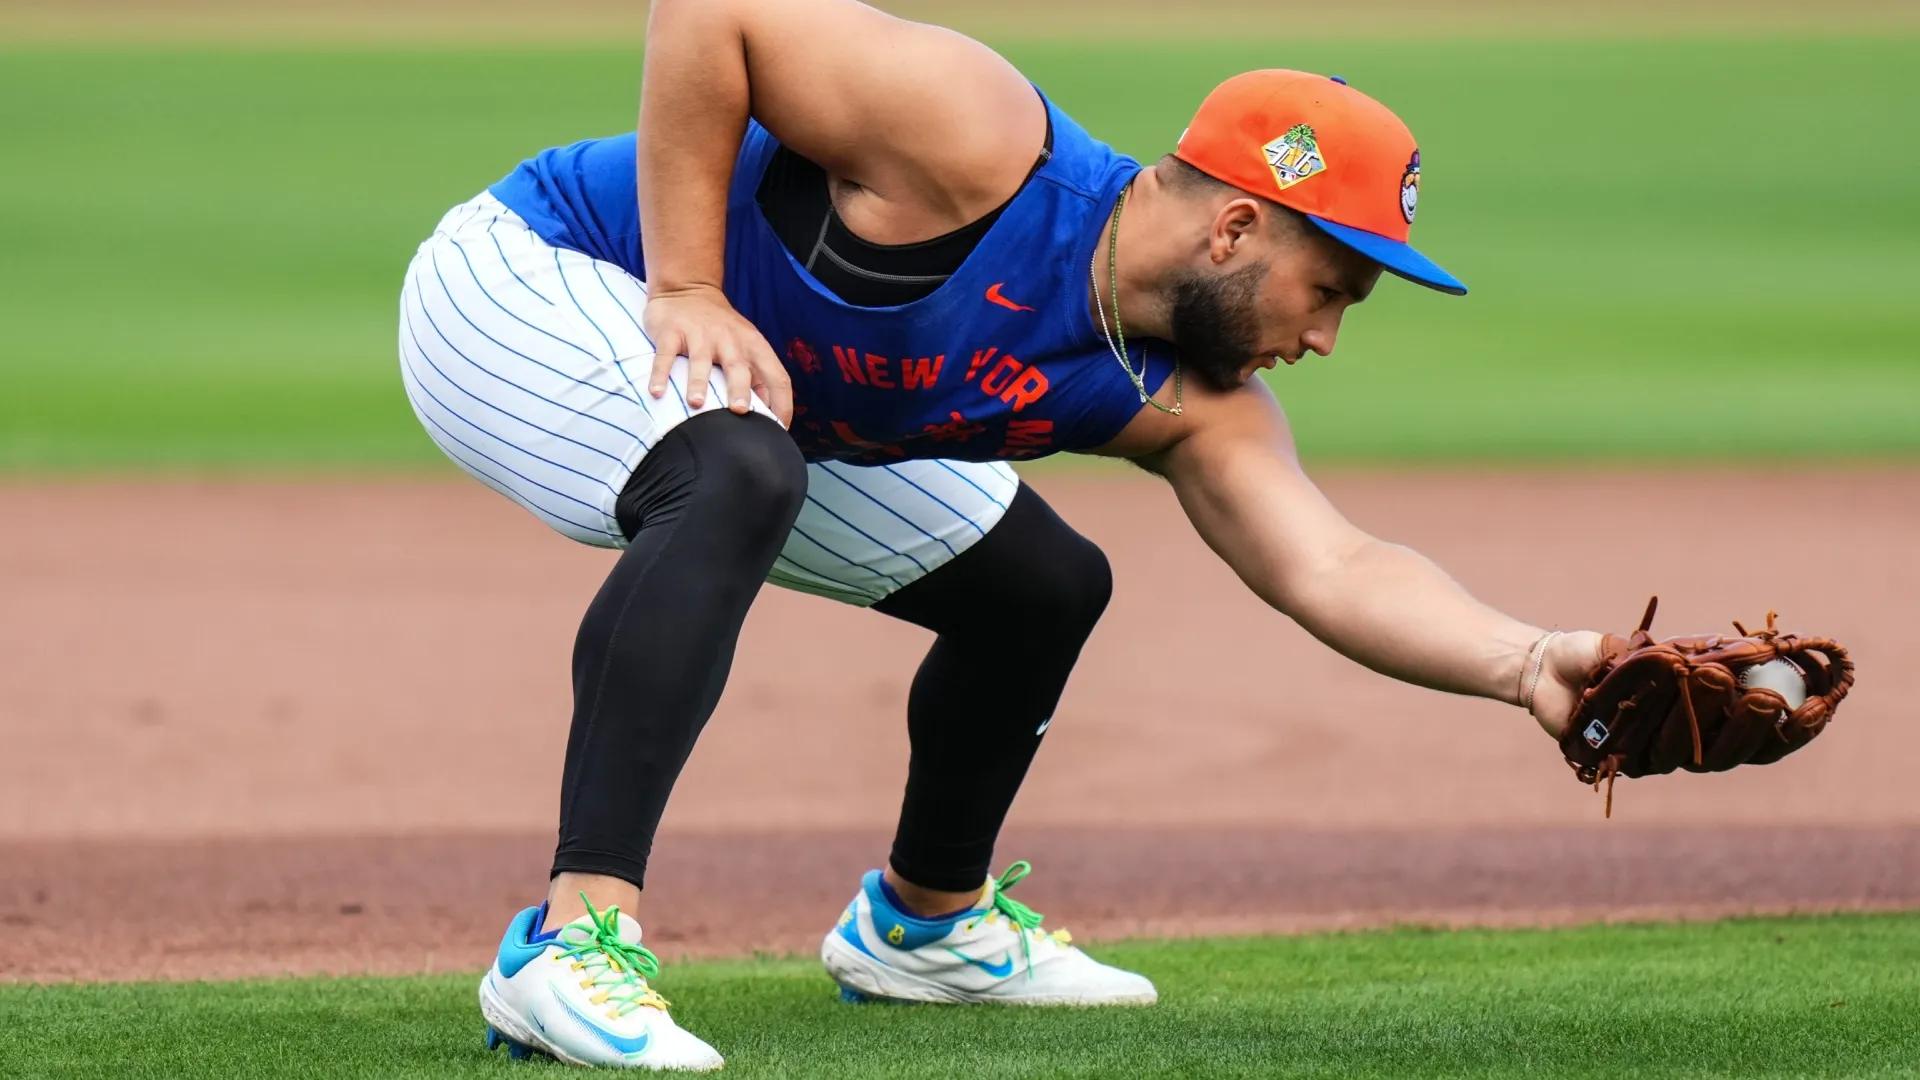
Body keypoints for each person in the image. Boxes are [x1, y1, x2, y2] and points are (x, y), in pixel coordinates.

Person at [398, 0, 1606, 1068]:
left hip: (752, 396)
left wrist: (1527, 661)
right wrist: (692, 289)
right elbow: (712, 7)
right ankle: (569, 944)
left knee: (1040, 583)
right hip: (529, 282)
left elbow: (1330, 563)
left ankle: (924, 925)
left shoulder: (1187, 398)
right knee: (738, 468)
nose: (1329, 335)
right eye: (1333, 288)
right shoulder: (980, 137)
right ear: (1235, 230)